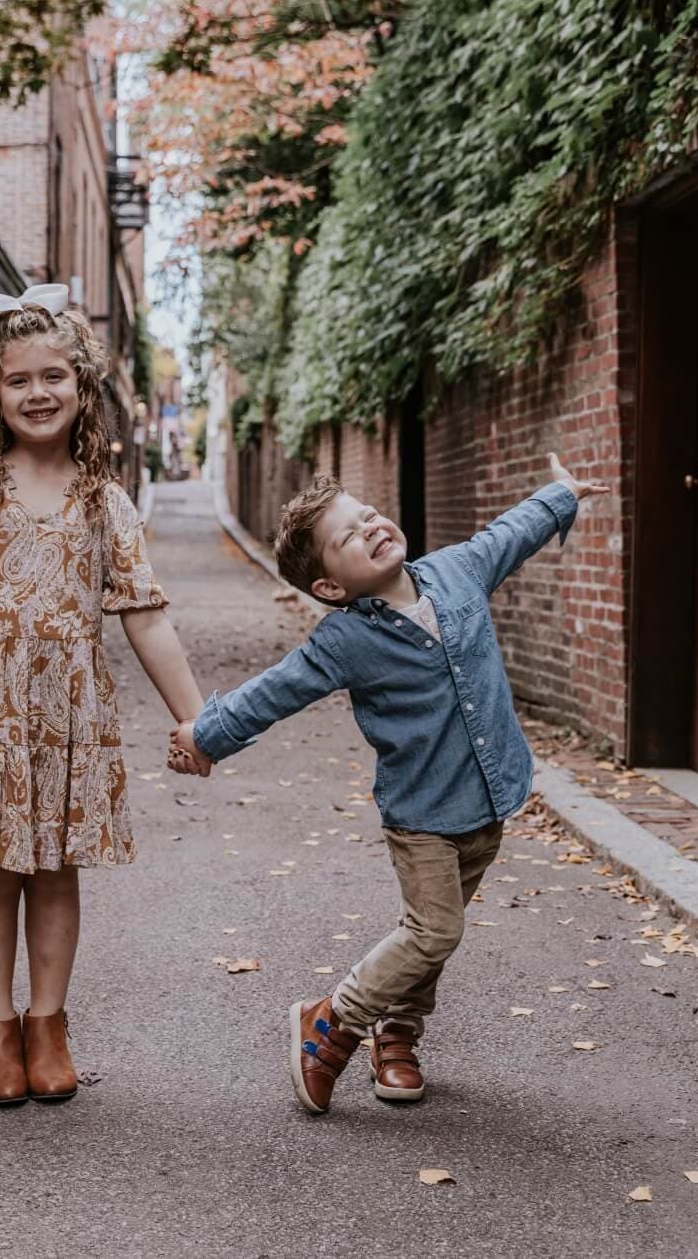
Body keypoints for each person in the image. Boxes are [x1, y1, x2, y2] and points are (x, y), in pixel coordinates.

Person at [169, 454, 608, 1115]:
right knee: (433, 931)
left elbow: (510, 532)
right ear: (331, 587)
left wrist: (562, 493)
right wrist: (206, 734)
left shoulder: (458, 570)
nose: (369, 528)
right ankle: (332, 1024)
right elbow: (276, 690)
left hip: (490, 799)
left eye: (367, 515)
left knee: (434, 935)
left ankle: (398, 1035)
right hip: (423, 814)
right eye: (348, 537)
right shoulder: (344, 639)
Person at [0, 284, 202, 1107]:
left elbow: (145, 617)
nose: (38, 394)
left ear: (83, 386)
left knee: (58, 871)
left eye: (54, 377)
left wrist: (195, 713)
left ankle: (48, 1023)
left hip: (69, 713)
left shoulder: (105, 500)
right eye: (18, 380)